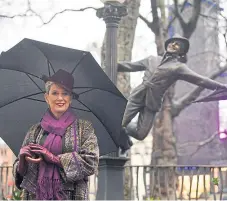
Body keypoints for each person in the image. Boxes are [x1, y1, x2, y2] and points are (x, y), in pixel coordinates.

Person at [118, 34, 227, 141]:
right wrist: (113, 65)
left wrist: (221, 86)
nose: (173, 44)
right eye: (171, 42)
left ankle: (120, 129)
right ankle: (116, 128)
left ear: (181, 52)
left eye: (177, 44)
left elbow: (201, 80)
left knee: (140, 134)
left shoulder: (179, 68)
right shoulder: (152, 59)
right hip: (138, 95)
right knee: (121, 122)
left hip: (152, 102)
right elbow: (130, 66)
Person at [12, 69, 99, 200]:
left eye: (65, 93)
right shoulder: (34, 130)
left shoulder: (84, 128)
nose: (60, 98)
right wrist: (22, 162)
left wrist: (55, 159)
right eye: (55, 93)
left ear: (71, 98)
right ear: (46, 97)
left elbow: (91, 161)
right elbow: (19, 169)